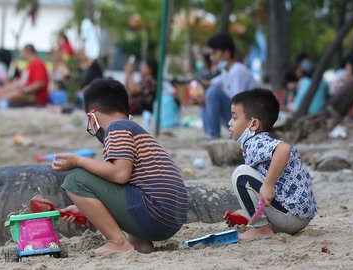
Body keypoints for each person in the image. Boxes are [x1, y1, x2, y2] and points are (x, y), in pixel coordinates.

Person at [52, 79, 188, 254]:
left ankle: (118, 242)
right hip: (171, 218)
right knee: (132, 181)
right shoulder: (133, 128)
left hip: (155, 214)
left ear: (92, 116)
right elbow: (129, 181)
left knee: (75, 179)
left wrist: (78, 161)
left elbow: (120, 174)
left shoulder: (117, 128)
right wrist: (88, 206)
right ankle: (140, 243)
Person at [227, 88, 316, 240]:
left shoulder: (256, 142)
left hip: (291, 216)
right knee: (249, 175)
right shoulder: (260, 142)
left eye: (235, 118)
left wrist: (268, 185)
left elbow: (284, 148)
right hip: (297, 215)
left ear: (254, 124)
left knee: (241, 174)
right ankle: (261, 224)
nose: (229, 123)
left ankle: (261, 229)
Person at [200, 34, 258, 139]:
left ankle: (213, 135)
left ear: (226, 54)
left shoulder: (238, 70)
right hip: (238, 116)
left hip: (247, 118)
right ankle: (209, 133)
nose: (211, 57)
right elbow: (213, 82)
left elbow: (237, 100)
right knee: (205, 96)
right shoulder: (226, 72)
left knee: (212, 92)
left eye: (214, 53)